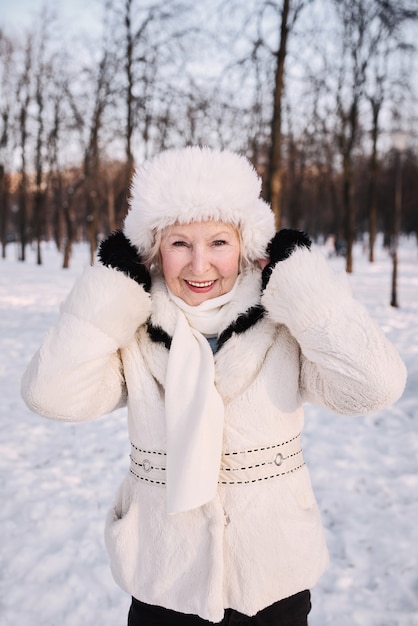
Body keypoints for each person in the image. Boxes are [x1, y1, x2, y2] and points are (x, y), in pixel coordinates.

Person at [21, 146, 407, 626]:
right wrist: (109, 292)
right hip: (164, 581)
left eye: (219, 243)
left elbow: (375, 386)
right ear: (153, 250)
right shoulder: (133, 326)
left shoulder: (284, 322)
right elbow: (51, 395)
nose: (199, 265)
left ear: (246, 245)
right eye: (180, 243)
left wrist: (307, 288)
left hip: (271, 581)